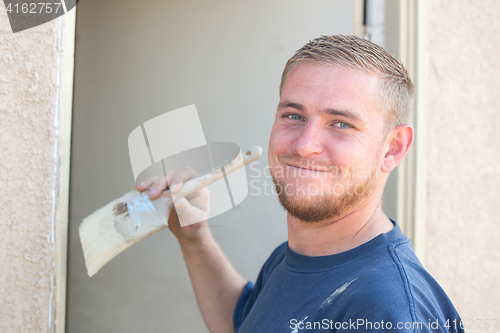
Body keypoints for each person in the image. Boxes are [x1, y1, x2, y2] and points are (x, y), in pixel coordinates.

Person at [137, 35, 463, 332]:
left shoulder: (385, 311)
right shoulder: (294, 256)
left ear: (393, 148)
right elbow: (245, 324)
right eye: (294, 116)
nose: (305, 145)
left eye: (341, 124)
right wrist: (194, 238)